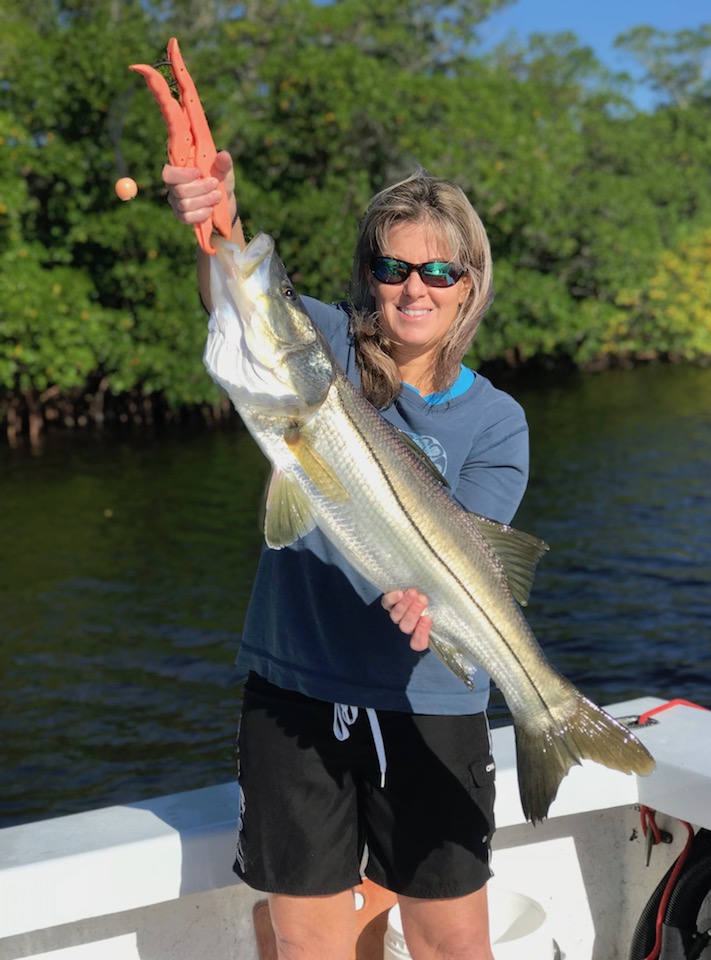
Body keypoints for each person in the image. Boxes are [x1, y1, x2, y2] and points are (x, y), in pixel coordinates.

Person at [163, 152, 529, 960]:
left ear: (470, 284)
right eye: (393, 265)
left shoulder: (498, 424)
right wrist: (215, 221)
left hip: (432, 699)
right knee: (309, 940)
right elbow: (242, 298)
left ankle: (548, 716)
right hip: (295, 692)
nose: (415, 287)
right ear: (369, 275)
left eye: (440, 268)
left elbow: (476, 553)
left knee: (451, 942)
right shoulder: (324, 343)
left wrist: (433, 605)